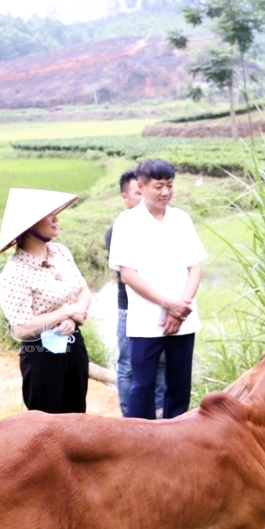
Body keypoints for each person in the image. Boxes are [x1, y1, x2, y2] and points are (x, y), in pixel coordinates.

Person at [107, 158, 206, 420]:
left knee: (180, 384)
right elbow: (128, 275)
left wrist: (179, 306)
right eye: (158, 186)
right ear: (141, 185)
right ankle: (138, 444)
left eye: (170, 185)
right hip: (146, 322)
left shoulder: (181, 219)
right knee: (142, 386)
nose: (165, 192)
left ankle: (176, 442)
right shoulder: (127, 222)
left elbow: (195, 266)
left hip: (183, 318)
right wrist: (168, 304)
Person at [0, 188, 93, 413]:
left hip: (73, 344)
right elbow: (21, 328)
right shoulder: (15, 271)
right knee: (46, 424)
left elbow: (84, 290)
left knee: (77, 416)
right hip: (41, 354)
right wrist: (66, 313)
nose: (55, 218)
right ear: (29, 225)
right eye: (48, 214)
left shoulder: (60, 252)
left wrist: (74, 320)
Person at [105, 168, 165, 417]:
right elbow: (131, 273)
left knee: (161, 364)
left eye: (145, 191)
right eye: (137, 193)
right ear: (125, 197)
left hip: (160, 306)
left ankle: (160, 417)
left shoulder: (164, 224)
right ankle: (130, 419)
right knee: (129, 366)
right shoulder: (120, 229)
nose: (142, 197)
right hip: (130, 309)